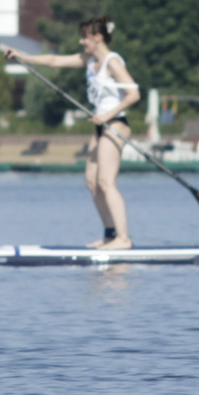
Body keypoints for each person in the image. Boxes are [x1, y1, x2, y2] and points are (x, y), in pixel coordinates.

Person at [8, 17, 141, 250]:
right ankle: (110, 235)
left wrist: (107, 116)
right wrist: (22, 56)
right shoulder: (89, 60)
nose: (81, 41)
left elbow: (134, 94)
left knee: (106, 182)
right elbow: (53, 60)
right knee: (92, 181)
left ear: (98, 38)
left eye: (85, 37)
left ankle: (124, 239)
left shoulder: (112, 62)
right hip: (101, 125)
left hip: (116, 124)